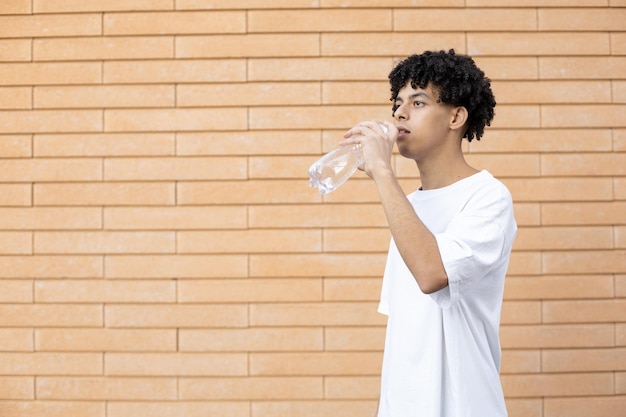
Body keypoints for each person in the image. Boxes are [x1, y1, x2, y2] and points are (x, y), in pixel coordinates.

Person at [340, 49, 517, 417]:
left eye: (418, 102)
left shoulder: (489, 197)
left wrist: (384, 174)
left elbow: (432, 274)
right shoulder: (409, 206)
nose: (399, 114)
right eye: (398, 103)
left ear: (456, 116)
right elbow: (407, 331)